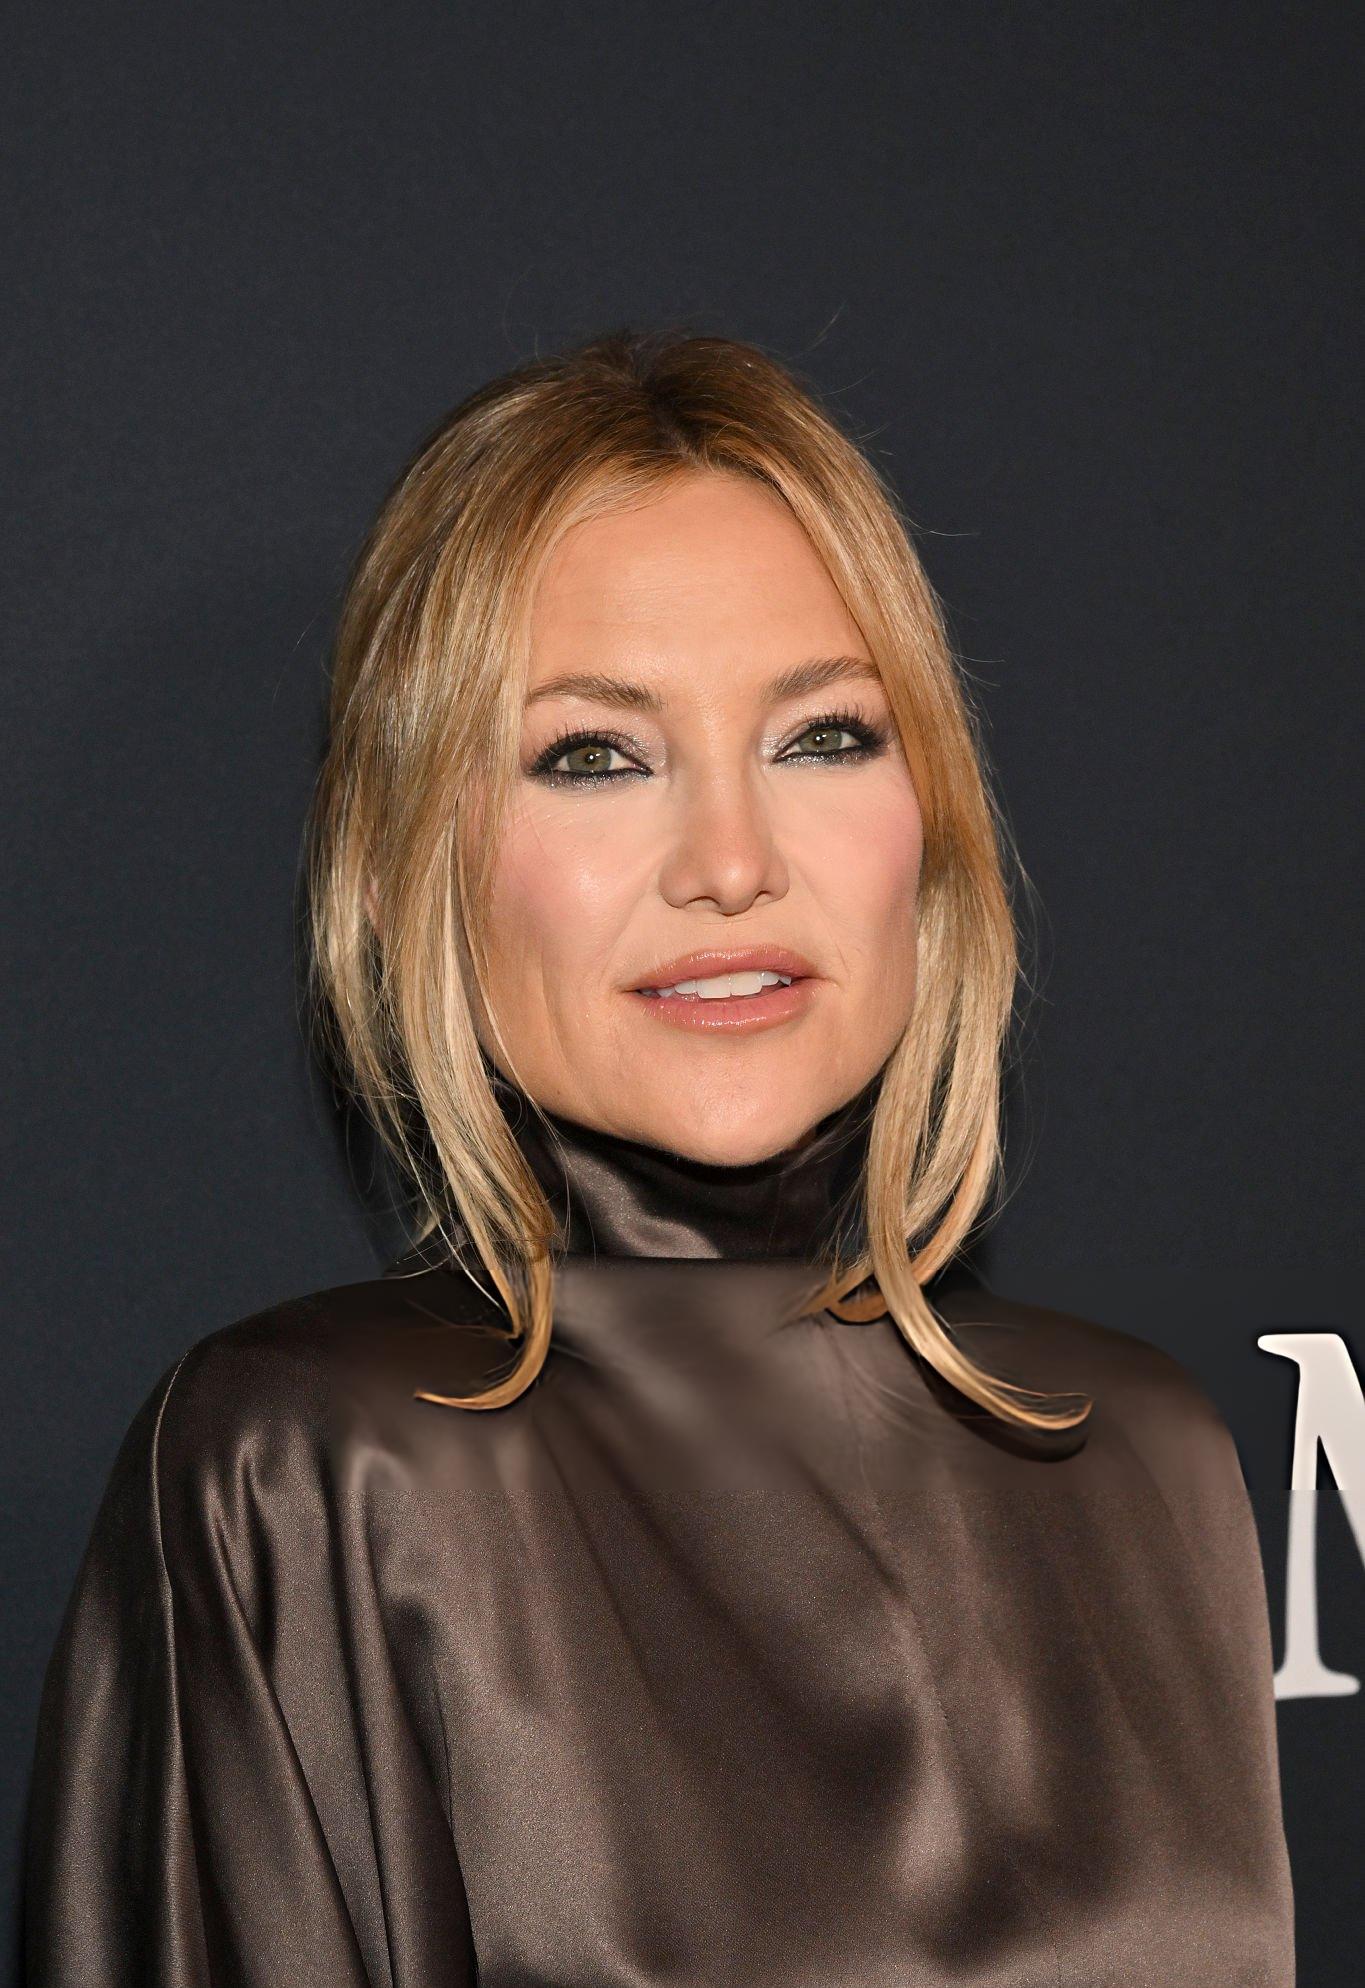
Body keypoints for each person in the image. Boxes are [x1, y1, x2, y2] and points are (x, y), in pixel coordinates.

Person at [23, 328, 1295, 1985]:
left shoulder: (1140, 1453)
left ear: (932, 824)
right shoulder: (310, 1468)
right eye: (594, 756)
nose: (731, 861)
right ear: (408, 873)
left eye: (822, 736)